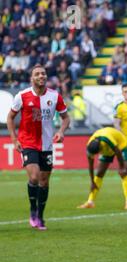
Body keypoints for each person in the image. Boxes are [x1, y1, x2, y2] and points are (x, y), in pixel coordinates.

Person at [6, 64, 71, 230]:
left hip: (47, 144)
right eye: (37, 74)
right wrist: (14, 139)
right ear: (32, 78)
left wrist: (61, 131)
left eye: (43, 73)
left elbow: (65, 118)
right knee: (34, 177)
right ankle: (33, 211)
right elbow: (10, 118)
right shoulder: (22, 96)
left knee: (44, 181)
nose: (41, 76)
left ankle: (40, 216)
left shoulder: (55, 96)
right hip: (27, 142)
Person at [77, 127, 127, 210]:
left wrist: (121, 167)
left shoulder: (107, 139)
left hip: (121, 144)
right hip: (108, 149)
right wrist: (92, 181)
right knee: (100, 172)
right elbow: (90, 165)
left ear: (100, 148)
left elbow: (117, 151)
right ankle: (90, 202)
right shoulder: (90, 146)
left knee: (123, 173)